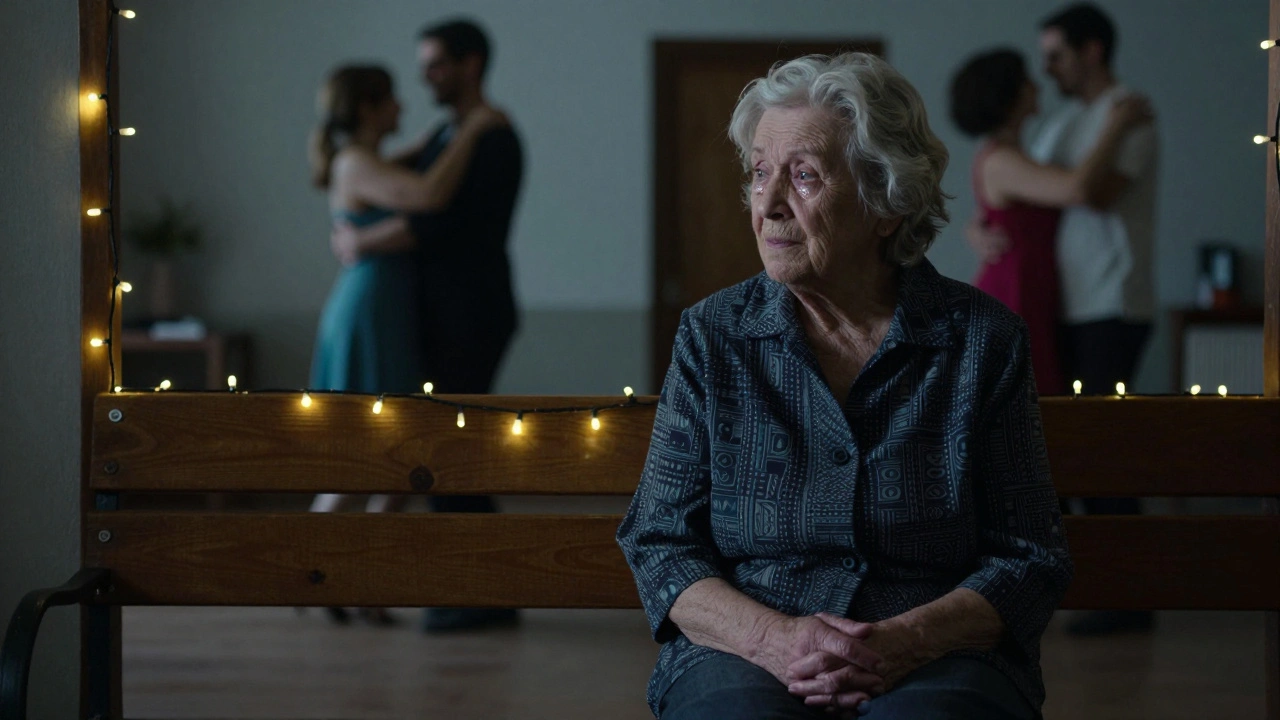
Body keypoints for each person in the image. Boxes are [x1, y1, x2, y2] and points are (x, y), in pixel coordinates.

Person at [618, 52, 1072, 720]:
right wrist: (774, 639)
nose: (767, 205)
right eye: (759, 173)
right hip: (744, 649)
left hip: (940, 651)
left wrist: (904, 641)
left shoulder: (980, 340)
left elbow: (1029, 556)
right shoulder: (713, 336)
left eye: (803, 176)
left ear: (886, 202)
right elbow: (660, 541)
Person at [966, 3, 1159, 637]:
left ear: (1092, 51)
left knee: (1098, 451)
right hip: (1057, 309)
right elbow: (1025, 188)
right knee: (1062, 452)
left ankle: (1125, 592)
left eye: (1055, 54)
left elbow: (1090, 192)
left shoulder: (1131, 114)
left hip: (1109, 301)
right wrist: (980, 226)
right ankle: (1080, 586)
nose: (1045, 69)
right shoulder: (1060, 125)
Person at [331, 19, 524, 633]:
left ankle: (479, 592)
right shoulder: (451, 131)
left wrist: (360, 238)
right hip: (439, 313)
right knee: (447, 451)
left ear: (470, 65)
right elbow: (391, 180)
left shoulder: (491, 136)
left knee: (455, 452)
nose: (425, 75)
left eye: (437, 63)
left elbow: (442, 224)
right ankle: (472, 589)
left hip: (470, 312)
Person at [949, 48, 1152, 396]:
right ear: (1009, 95)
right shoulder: (1000, 159)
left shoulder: (1026, 152)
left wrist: (975, 226)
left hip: (1037, 288)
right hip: (1015, 288)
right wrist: (1116, 125)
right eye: (1027, 81)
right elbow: (1075, 188)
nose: (1038, 85)